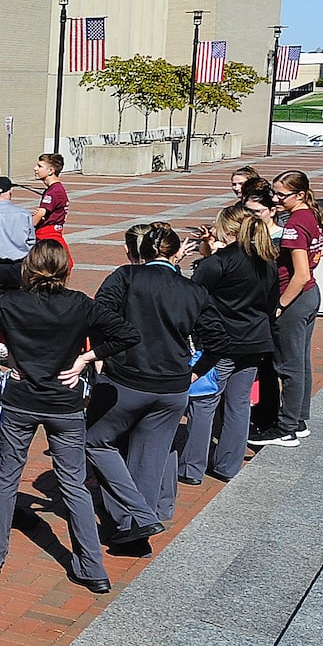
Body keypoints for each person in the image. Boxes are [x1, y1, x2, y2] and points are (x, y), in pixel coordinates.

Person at [0, 240, 138, 593]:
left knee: (7, 477)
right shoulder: (80, 305)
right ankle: (92, 567)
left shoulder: (12, 303)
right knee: (74, 485)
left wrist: (0, 351)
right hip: (65, 404)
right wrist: (86, 358)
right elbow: (127, 334)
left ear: (29, 269)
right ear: (65, 269)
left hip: (21, 401)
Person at [88, 223, 209, 536]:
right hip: (172, 386)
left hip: (128, 379)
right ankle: (140, 520)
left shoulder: (127, 277)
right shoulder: (192, 290)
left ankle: (135, 516)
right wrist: (195, 370)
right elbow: (218, 338)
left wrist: (101, 353)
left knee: (96, 441)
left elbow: (98, 316)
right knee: (151, 456)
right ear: (174, 253)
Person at [181, 205, 277, 483]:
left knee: (203, 401)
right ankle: (228, 465)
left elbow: (193, 298)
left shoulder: (218, 263)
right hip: (254, 340)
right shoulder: (265, 261)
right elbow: (270, 305)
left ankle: (191, 467)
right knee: (238, 403)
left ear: (228, 231)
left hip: (219, 342)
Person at [253, 170, 323, 448]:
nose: (276, 199)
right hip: (310, 296)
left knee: (288, 365)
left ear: (301, 195)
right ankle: (298, 419)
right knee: (301, 361)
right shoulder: (311, 216)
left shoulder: (295, 224)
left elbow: (301, 273)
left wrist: (282, 305)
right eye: (275, 193)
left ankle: (284, 428)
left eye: (282, 195)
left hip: (295, 297)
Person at [31, 153, 71, 267]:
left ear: (51, 171)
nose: (35, 169)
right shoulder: (53, 189)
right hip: (50, 233)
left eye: (39, 166)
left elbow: (38, 217)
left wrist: (32, 220)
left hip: (48, 235)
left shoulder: (55, 191)